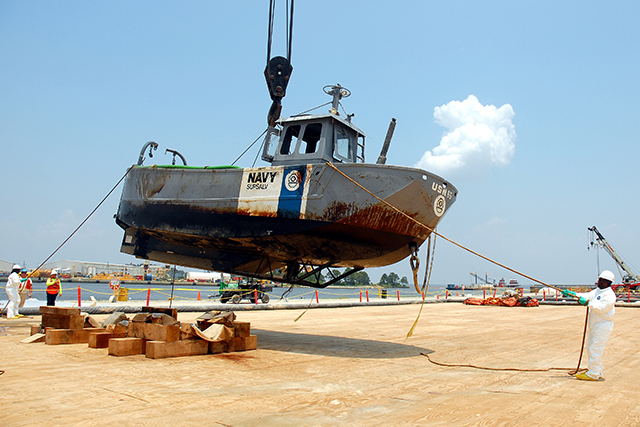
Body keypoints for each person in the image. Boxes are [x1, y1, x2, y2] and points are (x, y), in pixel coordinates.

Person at [563, 270, 616, 381]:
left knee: (595, 349)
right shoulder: (598, 291)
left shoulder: (610, 295)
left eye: (600, 280)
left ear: (606, 282)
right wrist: (572, 294)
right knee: (591, 347)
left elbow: (601, 308)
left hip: (603, 325)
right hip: (595, 325)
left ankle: (593, 374)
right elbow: (586, 296)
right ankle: (597, 370)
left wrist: (588, 303)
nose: (598, 282)